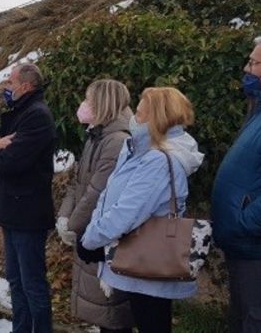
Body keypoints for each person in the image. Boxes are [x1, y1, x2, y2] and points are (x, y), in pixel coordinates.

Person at [80, 87, 204, 333]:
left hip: (148, 264)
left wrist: (91, 240)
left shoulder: (157, 160)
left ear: (155, 117)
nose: (133, 118)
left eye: (139, 113)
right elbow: (110, 196)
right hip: (138, 263)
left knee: (152, 322)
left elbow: (126, 212)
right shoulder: (141, 150)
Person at [0, 63, 56, 333]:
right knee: (15, 279)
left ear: (26, 86)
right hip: (13, 211)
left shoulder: (36, 116)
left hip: (27, 212)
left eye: (10, 81)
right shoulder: (19, 113)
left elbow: (9, 162)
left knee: (32, 283)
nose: (6, 86)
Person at [57, 79, 134, 333]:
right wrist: (64, 217)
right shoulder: (96, 135)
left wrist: (73, 224)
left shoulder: (116, 140)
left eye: (89, 100)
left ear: (103, 103)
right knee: (103, 313)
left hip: (101, 235)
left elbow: (97, 191)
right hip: (89, 232)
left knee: (111, 312)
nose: (84, 105)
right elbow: (78, 182)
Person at [212, 36, 261, 333]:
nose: (247, 67)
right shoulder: (256, 113)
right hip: (243, 244)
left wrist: (246, 222)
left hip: (254, 244)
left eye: (255, 63)